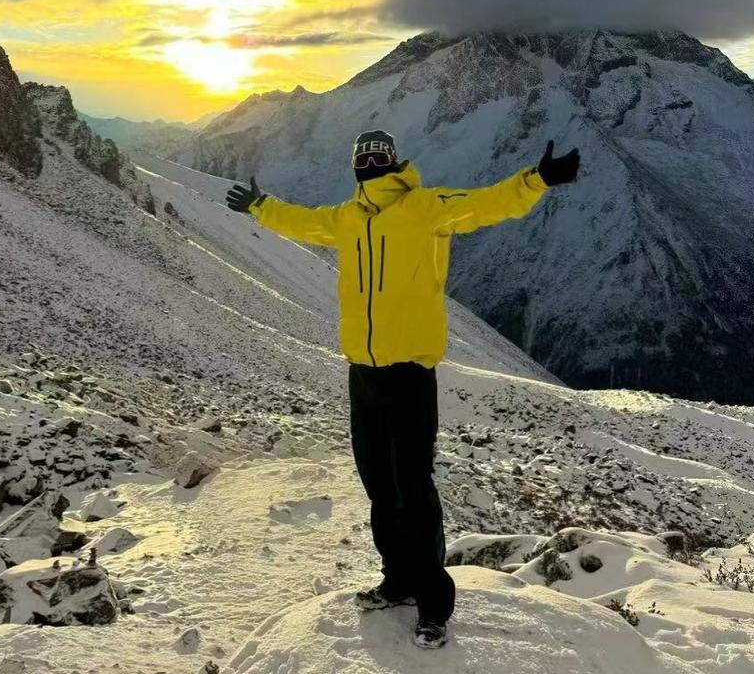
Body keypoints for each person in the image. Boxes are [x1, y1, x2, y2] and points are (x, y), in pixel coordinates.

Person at [225, 130, 580, 649]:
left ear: (392, 163)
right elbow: (303, 221)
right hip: (363, 370)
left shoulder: (426, 208)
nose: (369, 165)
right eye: (362, 158)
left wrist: (537, 179)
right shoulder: (349, 218)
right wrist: (261, 207)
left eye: (376, 158)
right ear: (357, 168)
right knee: (379, 483)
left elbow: (486, 204)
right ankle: (398, 581)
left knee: (413, 486)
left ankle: (433, 604)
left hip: (411, 371)